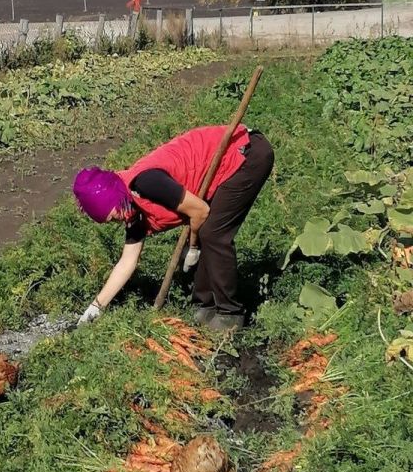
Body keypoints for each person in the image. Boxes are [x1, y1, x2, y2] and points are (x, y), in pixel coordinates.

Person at [72, 125, 274, 332]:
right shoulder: (131, 210)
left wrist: (192, 246)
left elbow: (200, 211)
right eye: (112, 221)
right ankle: (205, 306)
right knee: (206, 232)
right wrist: (94, 310)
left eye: (116, 215)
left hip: (245, 153)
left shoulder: (146, 183)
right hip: (226, 166)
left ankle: (229, 315)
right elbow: (127, 263)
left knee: (212, 233)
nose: (120, 220)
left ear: (117, 196)